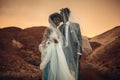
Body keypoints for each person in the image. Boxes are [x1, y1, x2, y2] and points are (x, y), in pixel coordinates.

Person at [39, 13, 75, 80]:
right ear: (52, 20)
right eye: (56, 20)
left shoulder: (58, 30)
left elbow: (61, 41)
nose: (58, 21)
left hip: (59, 51)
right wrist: (50, 40)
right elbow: (44, 41)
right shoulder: (49, 29)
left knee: (59, 67)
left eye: (59, 20)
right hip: (51, 51)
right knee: (50, 67)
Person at [59, 8, 82, 80]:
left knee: (75, 70)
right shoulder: (60, 27)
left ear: (66, 15)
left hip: (74, 52)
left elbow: (79, 39)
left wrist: (79, 52)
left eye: (61, 15)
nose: (60, 17)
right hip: (63, 52)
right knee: (64, 71)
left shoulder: (76, 25)